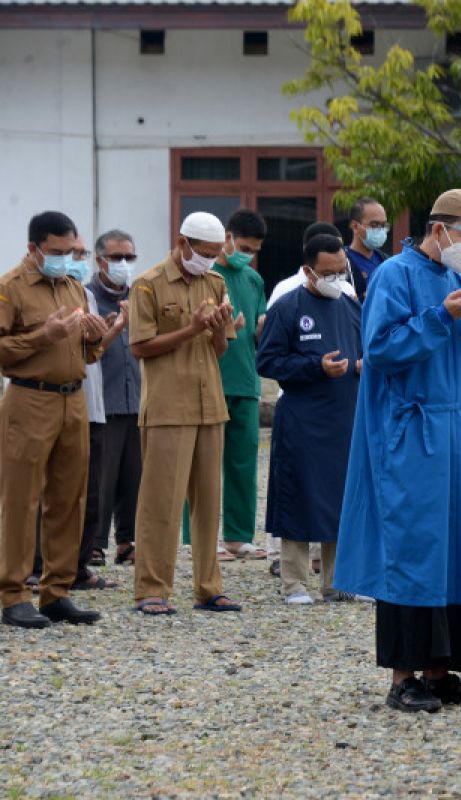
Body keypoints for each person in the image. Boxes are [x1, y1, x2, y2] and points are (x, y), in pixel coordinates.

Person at [333, 188, 461, 713]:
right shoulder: (395, 275)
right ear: (440, 231)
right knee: (413, 545)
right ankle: (402, 675)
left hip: (456, 424)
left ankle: (443, 669)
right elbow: (382, 349)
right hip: (410, 429)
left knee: (454, 545)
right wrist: (440, 318)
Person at [129, 211, 240, 616]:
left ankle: (208, 588)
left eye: (215, 254)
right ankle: (151, 590)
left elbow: (220, 348)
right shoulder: (148, 284)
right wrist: (192, 328)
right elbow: (140, 347)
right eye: (204, 253)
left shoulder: (216, 282)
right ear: (182, 243)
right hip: (167, 406)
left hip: (210, 403)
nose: (210, 260)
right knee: (161, 502)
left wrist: (215, 329)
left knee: (209, 502)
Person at [0, 211, 107, 628]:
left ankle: (56, 591)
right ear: (34, 248)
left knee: (69, 498)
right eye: (57, 252)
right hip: (29, 399)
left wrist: (95, 337)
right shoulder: (11, 289)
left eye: (71, 250)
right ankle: (12, 594)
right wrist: (44, 336)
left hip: (73, 400)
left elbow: (86, 354)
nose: (66, 259)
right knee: (21, 499)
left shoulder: (73, 288)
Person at [257, 234, 364, 604]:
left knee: (341, 496)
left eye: (341, 272)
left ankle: (337, 581)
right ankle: (294, 583)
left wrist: (364, 365)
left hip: (345, 416)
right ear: (308, 270)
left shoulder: (351, 305)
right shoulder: (287, 307)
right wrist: (315, 367)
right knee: (299, 494)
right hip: (302, 417)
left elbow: (364, 350)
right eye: (328, 274)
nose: (336, 280)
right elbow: (267, 361)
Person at [182, 209, 269, 561]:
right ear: (227, 238)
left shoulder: (253, 280)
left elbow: (259, 327)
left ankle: (238, 535)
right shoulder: (205, 274)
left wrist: (264, 327)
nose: (247, 253)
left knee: (243, 462)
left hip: (247, 382)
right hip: (209, 379)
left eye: (254, 249)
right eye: (244, 246)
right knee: (203, 463)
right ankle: (196, 539)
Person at [66, 245, 127, 590]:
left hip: (92, 404)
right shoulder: (21, 291)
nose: (76, 259)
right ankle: (36, 566)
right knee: (50, 494)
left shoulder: (84, 295)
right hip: (56, 403)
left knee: (90, 494)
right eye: (67, 252)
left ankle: (77, 566)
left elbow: (93, 352)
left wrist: (111, 329)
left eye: (79, 251)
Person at [89, 230, 141, 568]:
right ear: (100, 260)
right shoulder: (87, 296)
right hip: (102, 401)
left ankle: (127, 540)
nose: (123, 265)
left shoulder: (141, 296)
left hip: (137, 398)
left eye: (129, 258)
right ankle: (94, 544)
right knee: (100, 478)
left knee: (133, 476)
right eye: (116, 258)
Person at [345, 197, 390, 297]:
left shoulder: (387, 261)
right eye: (374, 225)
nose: (380, 230)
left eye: (383, 225)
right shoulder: (341, 263)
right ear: (355, 226)